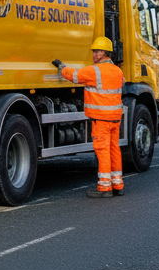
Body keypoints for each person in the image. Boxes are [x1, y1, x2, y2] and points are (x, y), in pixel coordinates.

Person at [53, 36, 125, 198]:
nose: (94, 54)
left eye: (97, 51)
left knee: (102, 150)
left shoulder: (94, 71)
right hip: (115, 118)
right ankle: (118, 185)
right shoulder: (118, 71)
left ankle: (105, 187)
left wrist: (61, 67)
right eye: (93, 51)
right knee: (114, 149)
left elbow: (75, 76)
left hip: (101, 119)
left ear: (104, 53)